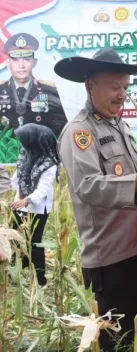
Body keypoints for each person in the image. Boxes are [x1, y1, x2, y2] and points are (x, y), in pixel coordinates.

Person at [53, 48, 137, 351]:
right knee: (118, 341)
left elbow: (133, 180)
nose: (122, 94)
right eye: (114, 87)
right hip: (112, 258)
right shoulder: (80, 132)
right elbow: (89, 186)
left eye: (125, 87)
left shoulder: (120, 126)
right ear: (90, 86)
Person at [9, 123, 60, 287]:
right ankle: (13, 271)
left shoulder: (49, 163)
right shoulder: (26, 155)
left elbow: (43, 189)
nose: (22, 143)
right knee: (12, 237)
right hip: (20, 206)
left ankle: (40, 280)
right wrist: (17, 197)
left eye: (24, 140)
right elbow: (16, 180)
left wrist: (26, 200)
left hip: (37, 209)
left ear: (33, 141)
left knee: (35, 242)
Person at [1, 32, 68, 137]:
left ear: (34, 62)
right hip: (5, 151)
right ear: (8, 64)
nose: (21, 65)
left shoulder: (48, 90)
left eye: (27, 59)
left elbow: (61, 129)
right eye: (15, 60)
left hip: (39, 150)